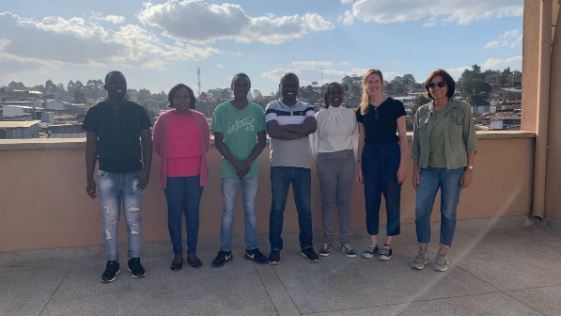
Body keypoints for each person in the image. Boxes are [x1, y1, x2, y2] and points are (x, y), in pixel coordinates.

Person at [83, 71, 153, 283]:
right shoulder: (95, 112)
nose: (118, 85)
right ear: (106, 86)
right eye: (114, 82)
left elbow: (147, 142)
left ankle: (134, 260)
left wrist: (146, 171)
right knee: (109, 221)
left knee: (134, 221)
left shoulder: (137, 111)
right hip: (107, 175)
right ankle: (112, 262)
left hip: (133, 174)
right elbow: (91, 145)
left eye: (122, 81)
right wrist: (89, 177)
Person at [410, 69, 477, 272]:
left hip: (453, 169)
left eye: (440, 84)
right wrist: (415, 171)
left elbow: (470, 141)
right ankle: (423, 251)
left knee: (448, 212)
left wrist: (469, 169)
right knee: (421, 211)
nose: (436, 88)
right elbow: (416, 147)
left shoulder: (462, 109)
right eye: (432, 85)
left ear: (448, 86)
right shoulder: (422, 112)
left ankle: (443, 253)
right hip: (428, 169)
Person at [210, 73, 268, 267]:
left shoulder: (257, 111)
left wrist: (247, 162)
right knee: (228, 211)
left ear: (249, 87)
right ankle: (225, 251)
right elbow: (218, 141)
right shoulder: (221, 110)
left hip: (251, 169)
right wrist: (235, 162)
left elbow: (262, 141)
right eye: (238, 84)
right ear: (232, 86)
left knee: (250, 210)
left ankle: (251, 249)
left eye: (245, 85)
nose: (241, 87)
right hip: (229, 169)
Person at [152, 84, 210, 271]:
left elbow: (206, 143)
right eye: (178, 97)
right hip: (172, 175)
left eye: (185, 97)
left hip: (195, 174)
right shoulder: (163, 119)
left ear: (191, 99)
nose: (182, 100)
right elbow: (157, 144)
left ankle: (192, 252)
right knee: (174, 214)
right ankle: (177, 254)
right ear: (172, 99)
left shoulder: (200, 118)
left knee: (193, 213)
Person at [266, 73, 319, 264]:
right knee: (277, 209)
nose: (290, 88)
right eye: (285, 85)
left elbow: (312, 127)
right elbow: (272, 131)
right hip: (279, 166)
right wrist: (299, 130)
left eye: (293, 85)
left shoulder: (307, 106)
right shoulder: (272, 106)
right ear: (279, 87)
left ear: (298, 87)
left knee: (304, 209)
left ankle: (307, 247)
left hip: (302, 165)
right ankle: (275, 248)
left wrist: (285, 131)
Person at [356, 69, 407, 262]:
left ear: (382, 83)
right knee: (371, 200)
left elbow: (403, 137)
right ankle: (373, 242)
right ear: (365, 85)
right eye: (370, 82)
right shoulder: (362, 109)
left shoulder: (395, 105)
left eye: (376, 81)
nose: (373, 85)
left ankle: (388, 244)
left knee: (392, 200)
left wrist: (403, 165)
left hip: (391, 155)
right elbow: (362, 138)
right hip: (370, 156)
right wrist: (359, 165)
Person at [310, 82, 359, 258]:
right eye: (332, 92)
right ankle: (327, 242)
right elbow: (313, 141)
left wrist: (353, 160)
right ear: (327, 96)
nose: (336, 95)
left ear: (343, 95)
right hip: (325, 160)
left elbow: (355, 138)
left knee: (344, 204)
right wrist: (321, 160)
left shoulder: (350, 115)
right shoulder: (319, 116)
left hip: (347, 160)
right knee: (328, 203)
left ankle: (346, 242)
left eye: (339, 92)